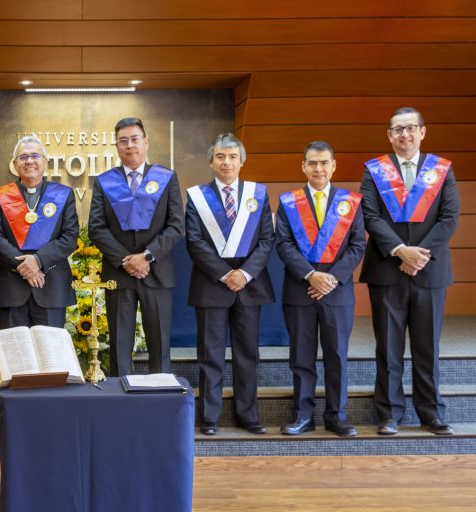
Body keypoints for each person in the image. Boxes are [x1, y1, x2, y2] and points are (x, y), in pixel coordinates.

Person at [360, 107, 460, 436]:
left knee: (427, 346)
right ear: (389, 135)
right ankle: (389, 413)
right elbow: (370, 216)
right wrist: (400, 250)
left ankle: (431, 412)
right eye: (398, 129)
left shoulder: (441, 170)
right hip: (386, 270)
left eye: (410, 128)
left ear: (422, 132)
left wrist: (418, 256)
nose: (405, 134)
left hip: (430, 271)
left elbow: (449, 218)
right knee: (388, 346)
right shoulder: (374, 170)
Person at [185, 133, 275, 435]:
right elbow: (194, 241)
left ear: (242, 161)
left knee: (247, 354)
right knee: (210, 355)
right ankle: (209, 418)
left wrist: (244, 274)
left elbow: (266, 239)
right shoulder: (197, 197)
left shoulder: (257, 194)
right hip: (212, 285)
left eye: (233, 157)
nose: (227, 162)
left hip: (249, 285)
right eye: (221, 157)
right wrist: (226, 274)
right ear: (211, 161)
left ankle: (248, 415)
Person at [275, 141, 366, 437]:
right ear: (303, 166)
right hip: (299, 290)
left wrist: (331, 278)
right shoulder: (289, 202)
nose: (318, 168)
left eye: (324, 162)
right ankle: (303, 416)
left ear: (333, 165)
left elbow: (357, 245)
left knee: (336, 356)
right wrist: (311, 275)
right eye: (312, 163)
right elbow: (283, 245)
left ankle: (337, 417)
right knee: (301, 357)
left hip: (337, 293)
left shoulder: (350, 202)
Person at [88, 117, 184, 376]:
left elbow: (176, 225)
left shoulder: (166, 178)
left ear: (145, 142)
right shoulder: (104, 181)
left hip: (157, 271)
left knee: (160, 344)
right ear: (116, 146)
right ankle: (120, 397)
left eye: (134, 139)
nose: (129, 145)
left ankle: (160, 396)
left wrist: (147, 256)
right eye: (123, 141)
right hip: (119, 274)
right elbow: (96, 228)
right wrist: (126, 260)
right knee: (119, 346)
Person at [0, 136, 79, 328]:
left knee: (50, 347)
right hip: (11, 287)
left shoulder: (63, 194)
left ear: (46, 161)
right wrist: (24, 267)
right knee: (15, 347)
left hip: (51, 286)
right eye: (23, 157)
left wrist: (38, 261)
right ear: (14, 164)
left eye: (35, 156)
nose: (29, 161)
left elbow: (69, 237)